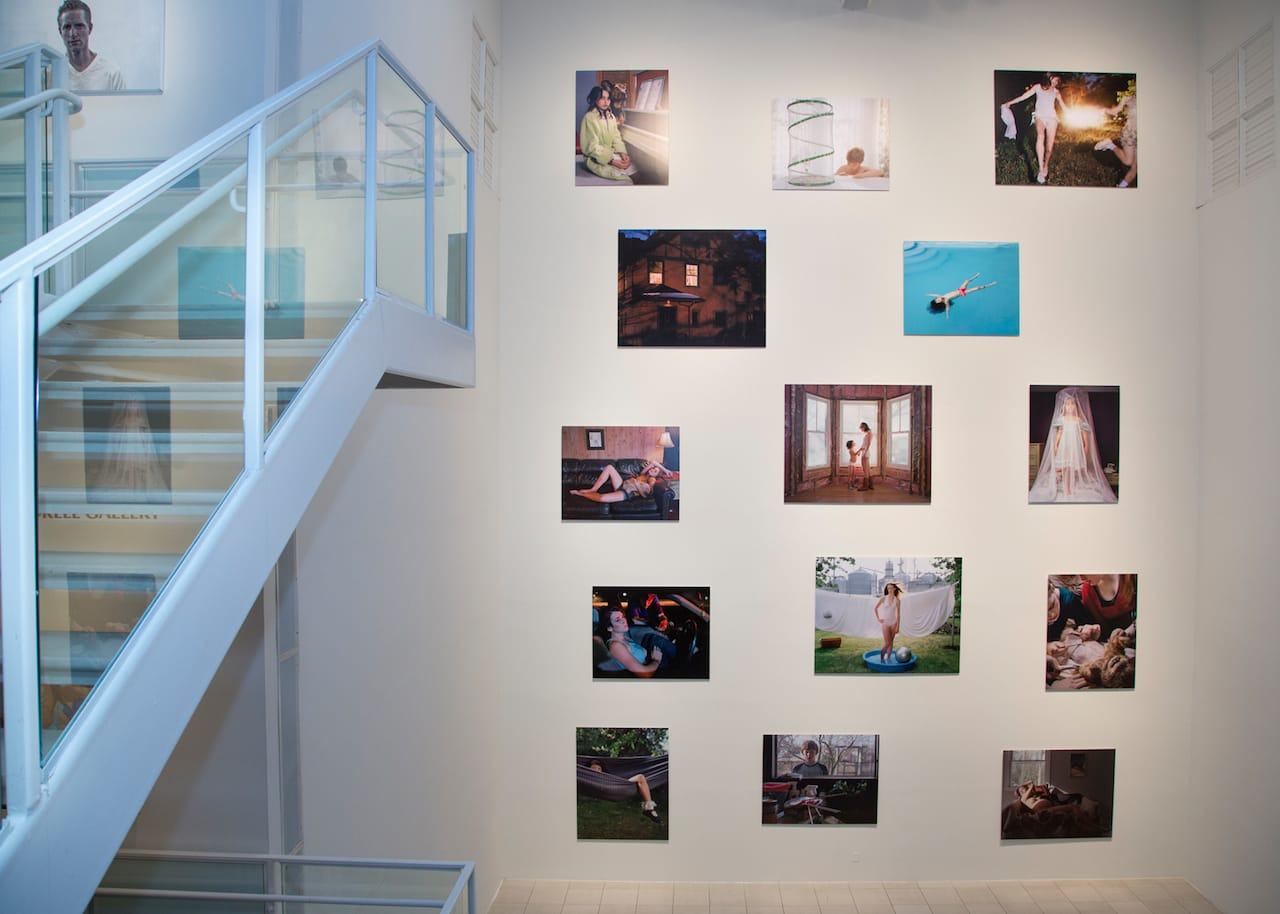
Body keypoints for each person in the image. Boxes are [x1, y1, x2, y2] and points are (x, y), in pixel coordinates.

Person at [1028, 388, 1118, 504]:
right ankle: (1067, 488)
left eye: (1072, 404)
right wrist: (1055, 445)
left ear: (1076, 406)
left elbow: (1085, 436)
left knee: (1072, 467)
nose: (1070, 407)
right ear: (1064, 407)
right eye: (1067, 404)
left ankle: (1070, 486)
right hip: (1065, 447)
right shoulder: (1062, 419)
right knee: (1065, 467)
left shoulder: (1079, 420)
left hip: (1075, 449)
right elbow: (1059, 432)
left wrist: (1085, 448)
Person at [1002, 73, 1067, 184]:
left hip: (1052, 118)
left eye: (1057, 81)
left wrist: (1069, 113)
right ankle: (1041, 170)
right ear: (1049, 78)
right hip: (1039, 116)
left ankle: (1046, 164)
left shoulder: (1056, 92)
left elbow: (1064, 106)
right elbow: (1023, 96)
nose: (1056, 83)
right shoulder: (1038, 87)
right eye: (1055, 80)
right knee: (1040, 136)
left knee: (1049, 149)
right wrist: (1010, 103)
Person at [58, 1, 126, 92]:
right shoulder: (51, 73)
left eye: (79, 26)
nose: (73, 33)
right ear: (60, 32)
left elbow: (121, 106)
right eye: (67, 27)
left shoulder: (111, 72)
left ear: (90, 28)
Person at [597, 606, 675, 678]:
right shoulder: (615, 646)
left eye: (623, 617)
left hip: (650, 663)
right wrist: (656, 660)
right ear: (609, 628)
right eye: (618, 620)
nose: (624, 620)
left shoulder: (624, 637)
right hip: (652, 671)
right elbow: (645, 675)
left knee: (653, 639)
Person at [579, 85, 633, 182]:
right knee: (621, 175)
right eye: (602, 98)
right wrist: (612, 161)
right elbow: (592, 147)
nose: (606, 101)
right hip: (594, 158)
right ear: (595, 99)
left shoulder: (611, 116)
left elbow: (616, 137)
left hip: (609, 154)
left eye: (608, 98)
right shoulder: (589, 117)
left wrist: (623, 153)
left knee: (631, 168)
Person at [588, 761, 662, 824]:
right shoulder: (587, 777)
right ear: (588, 770)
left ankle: (649, 808)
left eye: (599, 769)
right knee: (640, 777)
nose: (597, 770)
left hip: (617, 787)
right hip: (612, 789)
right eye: (594, 768)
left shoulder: (603, 776)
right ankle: (649, 808)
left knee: (641, 778)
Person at [570, 461, 675, 503]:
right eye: (652, 469)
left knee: (602, 498)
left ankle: (581, 493)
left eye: (655, 471)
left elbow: (649, 490)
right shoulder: (643, 474)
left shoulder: (651, 479)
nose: (653, 470)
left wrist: (636, 483)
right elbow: (652, 462)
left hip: (628, 492)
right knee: (609, 467)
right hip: (623, 484)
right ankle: (593, 489)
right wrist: (663, 469)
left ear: (657, 475)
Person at [1095, 90, 1137, 188]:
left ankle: (1121, 187)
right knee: (1128, 161)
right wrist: (1103, 109)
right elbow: (1115, 111)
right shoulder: (1129, 98)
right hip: (1130, 133)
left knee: (1135, 167)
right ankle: (1110, 145)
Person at [926, 272, 997, 318]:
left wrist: (929, 294)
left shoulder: (941, 296)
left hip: (959, 289)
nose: (938, 299)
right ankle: (991, 284)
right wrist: (947, 315)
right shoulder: (946, 300)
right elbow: (948, 308)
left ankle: (976, 276)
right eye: (938, 300)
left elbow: (935, 294)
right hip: (962, 293)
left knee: (966, 280)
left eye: (936, 299)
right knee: (977, 288)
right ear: (940, 303)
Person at [873, 582, 903, 663]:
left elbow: (898, 615)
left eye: (891, 588)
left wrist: (898, 626)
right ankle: (881, 659)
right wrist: (879, 619)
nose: (889, 590)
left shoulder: (897, 600)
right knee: (887, 643)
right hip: (885, 623)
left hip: (894, 623)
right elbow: (875, 608)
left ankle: (888, 658)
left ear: (894, 589)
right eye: (888, 588)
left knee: (891, 642)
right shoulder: (883, 598)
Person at [852, 422, 873, 491]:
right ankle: (870, 485)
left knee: (865, 470)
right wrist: (859, 451)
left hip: (865, 452)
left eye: (861, 427)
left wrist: (865, 452)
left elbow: (869, 443)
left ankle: (865, 486)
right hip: (865, 451)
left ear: (864, 427)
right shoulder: (868, 433)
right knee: (868, 469)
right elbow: (864, 444)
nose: (860, 429)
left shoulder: (869, 433)